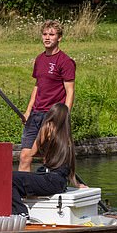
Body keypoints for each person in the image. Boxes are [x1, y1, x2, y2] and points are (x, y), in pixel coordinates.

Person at [19, 20, 76, 172]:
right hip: (35, 115)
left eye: (51, 34)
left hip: (52, 115)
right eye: (45, 34)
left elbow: (70, 91)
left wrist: (64, 116)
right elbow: (37, 86)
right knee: (25, 156)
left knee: (48, 157)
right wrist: (28, 111)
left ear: (59, 38)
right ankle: (24, 193)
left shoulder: (66, 61)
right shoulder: (39, 59)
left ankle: (50, 188)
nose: (47, 37)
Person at [11, 103, 80, 216]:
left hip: (50, 180)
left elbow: (31, 153)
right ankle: (20, 211)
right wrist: (77, 184)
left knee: (10, 178)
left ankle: (21, 213)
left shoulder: (47, 128)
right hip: (61, 182)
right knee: (19, 180)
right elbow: (70, 166)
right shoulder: (67, 137)